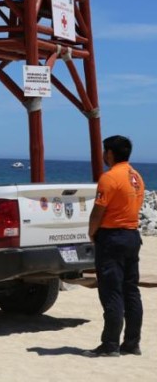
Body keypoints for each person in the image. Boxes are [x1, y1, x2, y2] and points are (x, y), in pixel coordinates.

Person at [83, 135, 145, 357]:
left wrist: (91, 232)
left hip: (112, 237)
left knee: (111, 291)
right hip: (132, 235)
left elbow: (99, 210)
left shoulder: (109, 178)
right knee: (131, 290)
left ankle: (110, 344)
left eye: (104, 151)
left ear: (109, 153)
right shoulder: (136, 176)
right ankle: (132, 342)